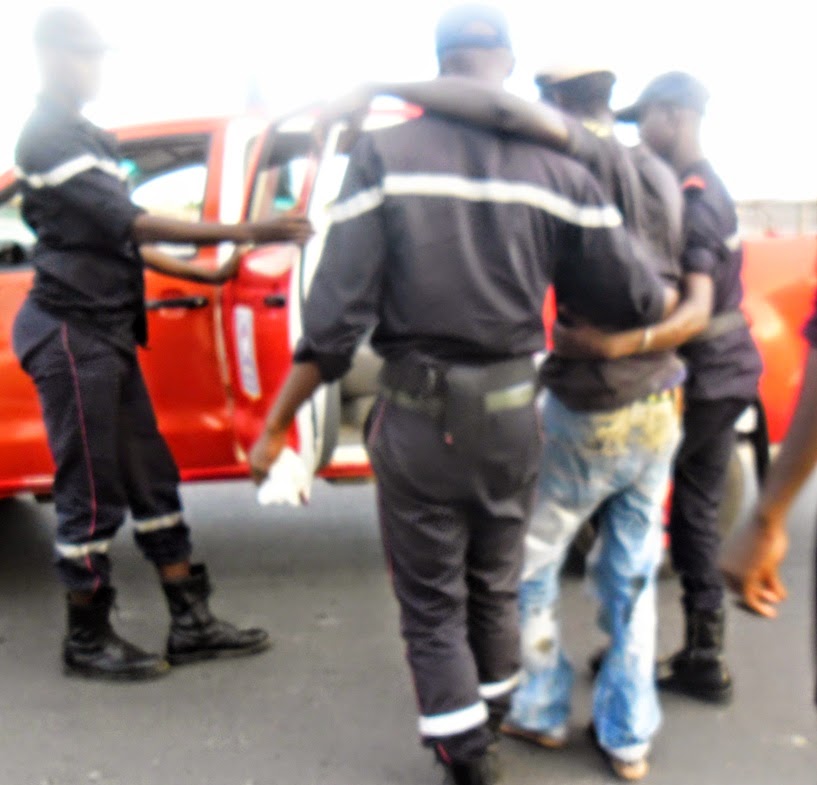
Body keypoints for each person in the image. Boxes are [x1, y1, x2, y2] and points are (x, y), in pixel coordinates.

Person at [248, 7, 677, 784]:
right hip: (516, 415)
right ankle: (491, 714)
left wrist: (279, 423)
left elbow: (333, 322)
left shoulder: (383, 155)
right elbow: (638, 299)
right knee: (493, 580)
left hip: (419, 416)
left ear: (437, 61)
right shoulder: (562, 171)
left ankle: (466, 751)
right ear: (506, 66)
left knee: (431, 597)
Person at [12, 7, 312, 682]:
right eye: (89, 55)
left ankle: (191, 619)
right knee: (88, 486)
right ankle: (86, 636)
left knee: (152, 475)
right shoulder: (48, 137)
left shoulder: (85, 133)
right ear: (52, 54)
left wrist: (200, 271)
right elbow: (131, 220)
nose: (99, 68)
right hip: (70, 329)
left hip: (105, 330)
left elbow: (114, 237)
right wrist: (244, 231)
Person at [572, 72, 762, 704]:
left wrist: (615, 347)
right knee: (694, 515)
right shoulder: (692, 189)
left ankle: (631, 653)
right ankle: (705, 656)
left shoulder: (699, 197)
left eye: (644, 119)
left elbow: (694, 311)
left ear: (676, 117)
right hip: (726, 375)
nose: (638, 134)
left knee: (626, 501)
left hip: (706, 376)